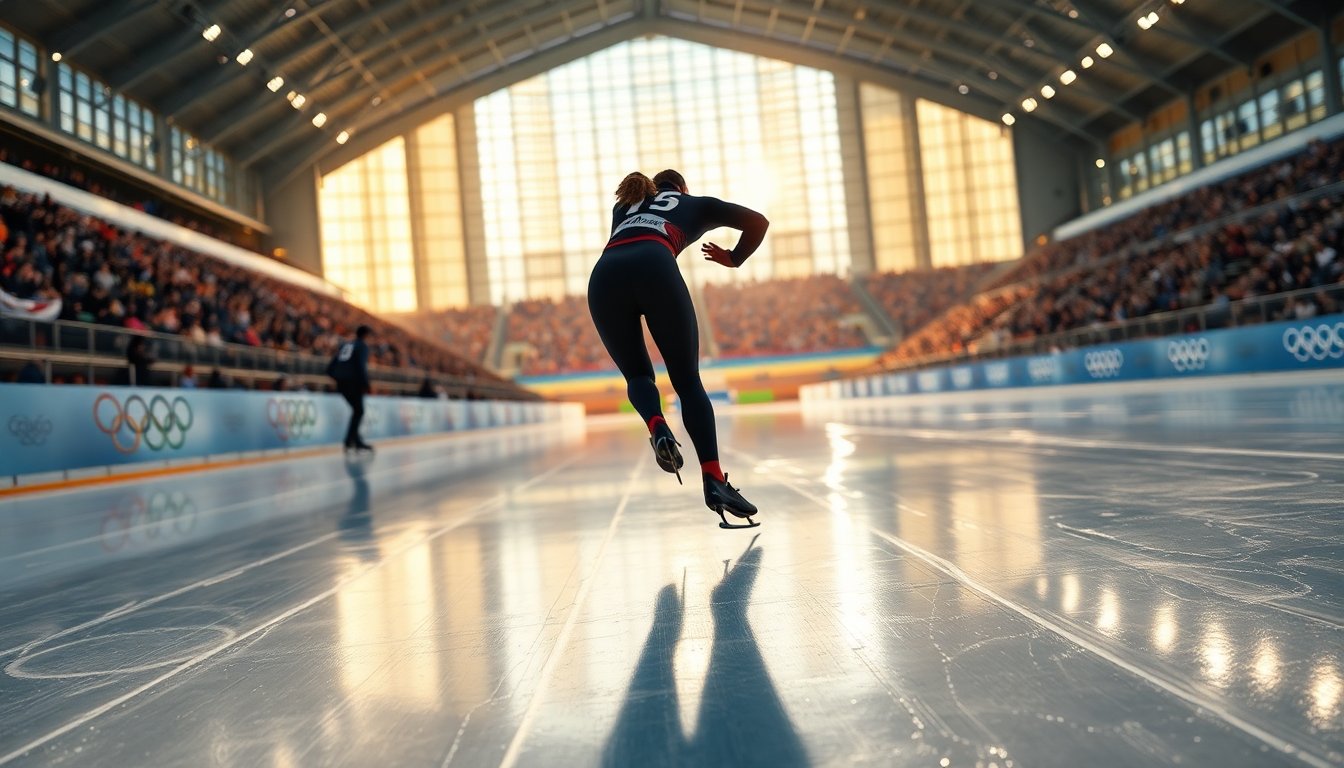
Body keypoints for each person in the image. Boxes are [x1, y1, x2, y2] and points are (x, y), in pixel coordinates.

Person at [587, 169, 768, 528]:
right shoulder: (694, 204)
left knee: (638, 375)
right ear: (683, 188)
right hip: (656, 265)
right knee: (687, 382)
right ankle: (714, 479)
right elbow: (758, 222)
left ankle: (657, 425)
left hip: (604, 275)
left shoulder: (624, 205)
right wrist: (734, 258)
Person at [328, 324, 374, 452]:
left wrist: (335, 377)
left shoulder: (346, 344)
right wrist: (366, 384)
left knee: (357, 411)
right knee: (359, 411)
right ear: (366, 335)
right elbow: (361, 366)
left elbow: (333, 363)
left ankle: (353, 440)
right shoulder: (362, 346)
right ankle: (352, 441)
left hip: (342, 382)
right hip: (353, 383)